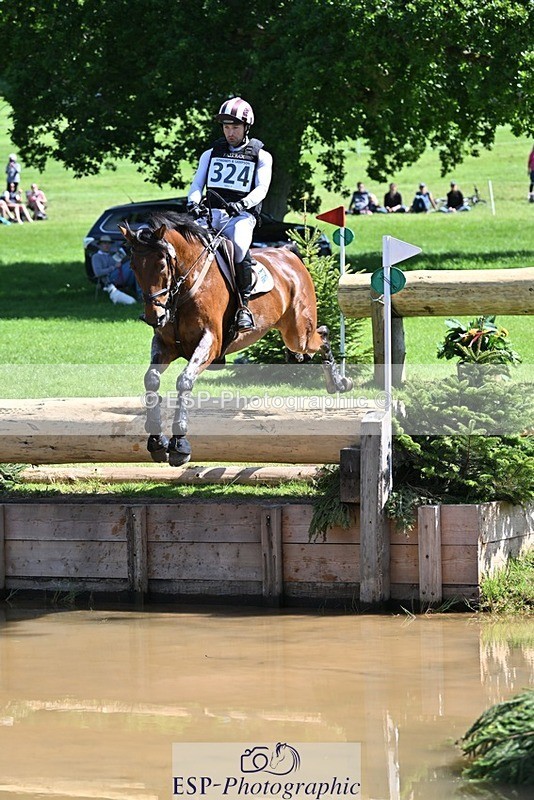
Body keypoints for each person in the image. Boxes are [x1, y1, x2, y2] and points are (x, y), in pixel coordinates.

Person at [186, 97, 273, 331]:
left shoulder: (261, 156)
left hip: (241, 217)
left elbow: (261, 189)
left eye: (235, 127)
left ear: (246, 128)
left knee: (239, 248)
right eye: (226, 127)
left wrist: (243, 204)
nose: (230, 132)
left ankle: (243, 306)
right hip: (211, 214)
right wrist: (193, 203)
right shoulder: (210, 154)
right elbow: (196, 185)